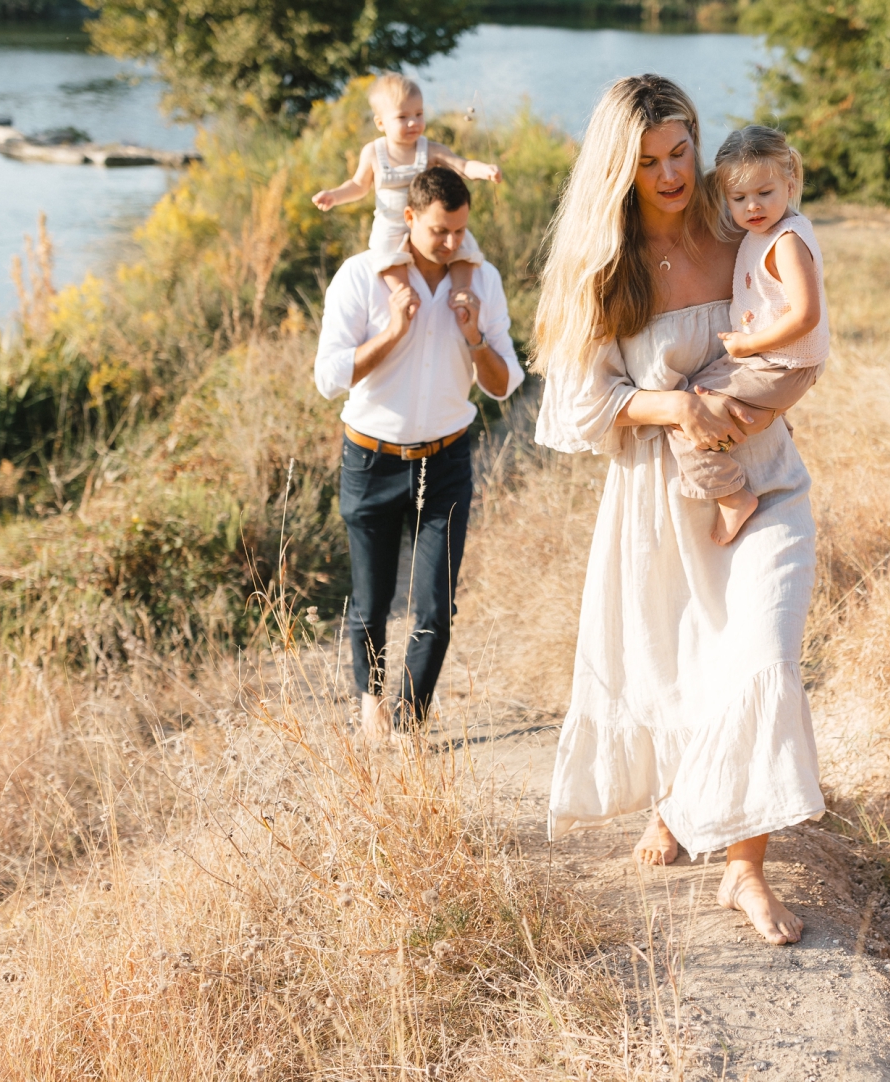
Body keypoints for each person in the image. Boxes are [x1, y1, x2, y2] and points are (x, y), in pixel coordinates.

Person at [534, 75, 824, 946]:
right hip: (661, 501)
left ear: (698, 141)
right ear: (618, 167)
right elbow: (583, 408)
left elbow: (802, 335)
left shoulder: (739, 221)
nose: (669, 175)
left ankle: (745, 869)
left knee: (764, 656)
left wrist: (754, 404)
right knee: (682, 670)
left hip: (766, 482)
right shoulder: (606, 266)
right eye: (648, 161)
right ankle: (676, 797)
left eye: (680, 151)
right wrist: (679, 407)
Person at [315, 166, 524, 738]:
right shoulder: (361, 277)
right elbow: (329, 377)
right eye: (439, 231)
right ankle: (370, 707)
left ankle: (408, 727)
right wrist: (394, 331)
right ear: (408, 219)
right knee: (371, 600)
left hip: (446, 460)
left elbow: (504, 384)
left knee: (435, 609)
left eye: (460, 230)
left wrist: (475, 334)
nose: (452, 242)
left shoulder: (481, 282)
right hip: (370, 458)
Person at [654, 125, 830, 545]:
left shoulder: (785, 241)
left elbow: (806, 315)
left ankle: (732, 495)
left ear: (790, 184)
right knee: (692, 396)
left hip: (783, 364)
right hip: (770, 362)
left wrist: (750, 344)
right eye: (738, 198)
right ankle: (766, 417)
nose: (752, 206)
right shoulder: (760, 233)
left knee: (685, 420)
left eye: (764, 193)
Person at [311, 73, 504, 309]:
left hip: (428, 221)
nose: (413, 122)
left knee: (463, 247)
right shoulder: (374, 152)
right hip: (392, 222)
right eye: (403, 117)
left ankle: (462, 290)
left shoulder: (430, 149)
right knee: (386, 255)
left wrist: (485, 170)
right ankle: (404, 294)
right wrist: (334, 196)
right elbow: (358, 185)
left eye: (419, 114)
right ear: (381, 123)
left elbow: (461, 165)